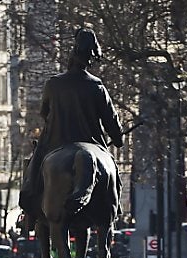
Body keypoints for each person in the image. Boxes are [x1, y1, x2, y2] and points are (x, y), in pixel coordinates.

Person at [18, 28, 124, 221]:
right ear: (90, 58)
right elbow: (112, 123)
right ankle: (114, 208)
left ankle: (30, 208)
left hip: (55, 142)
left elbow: (44, 113)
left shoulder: (53, 84)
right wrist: (118, 138)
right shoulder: (97, 86)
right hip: (92, 142)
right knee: (112, 173)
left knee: (34, 169)